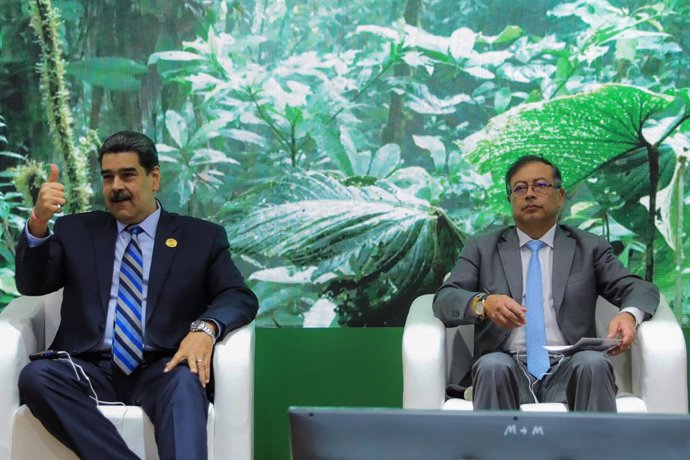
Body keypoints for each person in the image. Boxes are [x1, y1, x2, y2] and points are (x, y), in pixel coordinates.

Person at [14, 130, 259, 459]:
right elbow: (33, 284)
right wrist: (39, 222)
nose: (116, 187)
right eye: (108, 177)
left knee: (187, 385)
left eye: (127, 175)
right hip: (90, 367)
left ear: (154, 177)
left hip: (165, 366)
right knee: (37, 377)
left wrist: (206, 329)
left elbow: (238, 295)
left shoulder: (201, 237)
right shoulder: (76, 231)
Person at [432, 155, 659, 412]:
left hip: (571, 368)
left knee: (593, 363)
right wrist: (483, 303)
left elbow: (640, 288)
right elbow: (445, 299)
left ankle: (594, 452)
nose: (529, 194)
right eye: (520, 188)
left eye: (540, 185)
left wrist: (629, 315)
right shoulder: (482, 248)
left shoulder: (589, 247)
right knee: (491, 365)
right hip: (505, 369)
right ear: (510, 200)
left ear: (560, 196)